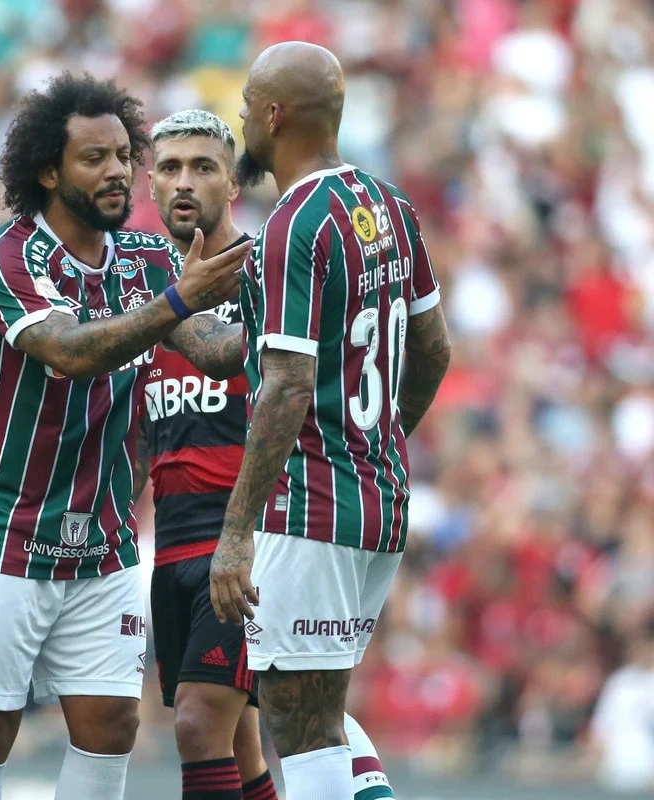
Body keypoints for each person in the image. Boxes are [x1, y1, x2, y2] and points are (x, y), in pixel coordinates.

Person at [0, 72, 250, 800]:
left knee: (110, 727)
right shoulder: (7, 258)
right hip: (1, 536)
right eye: (94, 159)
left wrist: (282, 309)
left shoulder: (146, 260)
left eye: (123, 156)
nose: (118, 173)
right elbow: (70, 351)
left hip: (103, 545)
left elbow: (213, 346)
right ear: (47, 170)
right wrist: (176, 301)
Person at [209, 43, 452, 800]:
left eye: (248, 103)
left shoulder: (294, 226)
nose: (242, 115)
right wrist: (372, 444)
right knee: (326, 715)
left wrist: (237, 530)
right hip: (378, 504)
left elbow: (284, 387)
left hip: (308, 510)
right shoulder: (387, 205)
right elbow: (435, 351)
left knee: (302, 731)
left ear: (275, 115)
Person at [139, 109, 395, 800]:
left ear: (234, 180)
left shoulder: (271, 268)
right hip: (175, 540)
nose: (184, 183)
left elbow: (286, 382)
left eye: (203, 167)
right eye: (168, 169)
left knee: (202, 725)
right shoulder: (146, 289)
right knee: (252, 736)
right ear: (150, 184)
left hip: (254, 536)